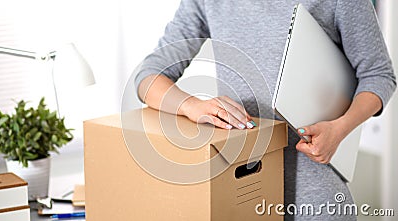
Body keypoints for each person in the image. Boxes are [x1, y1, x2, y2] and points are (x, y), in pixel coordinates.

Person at [135, 0, 396, 220]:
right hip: (239, 193)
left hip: (312, 198)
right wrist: (191, 105)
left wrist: (339, 129)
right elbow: (148, 77)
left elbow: (379, 75)